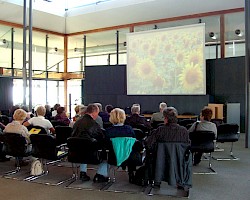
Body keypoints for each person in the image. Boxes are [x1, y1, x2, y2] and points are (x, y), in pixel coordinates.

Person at [72, 104, 107, 182]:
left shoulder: (77, 122)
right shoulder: (94, 124)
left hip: (75, 152)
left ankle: (83, 172)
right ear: (94, 112)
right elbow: (101, 138)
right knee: (107, 154)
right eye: (97, 113)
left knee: (83, 146)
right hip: (91, 155)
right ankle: (100, 175)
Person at [106, 108, 141, 183]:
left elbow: (106, 145)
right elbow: (134, 142)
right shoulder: (129, 129)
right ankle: (131, 174)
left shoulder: (108, 131)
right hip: (129, 156)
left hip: (113, 156)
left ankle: (111, 177)